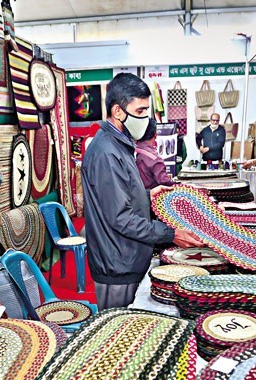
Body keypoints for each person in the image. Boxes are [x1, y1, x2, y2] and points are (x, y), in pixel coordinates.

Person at [82, 73, 203, 310]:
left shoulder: (119, 144)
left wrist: (147, 195)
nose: (145, 119)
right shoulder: (107, 152)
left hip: (125, 256)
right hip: (116, 262)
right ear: (118, 111)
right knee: (120, 334)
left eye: (147, 111)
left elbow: (115, 199)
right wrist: (170, 234)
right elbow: (120, 218)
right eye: (139, 112)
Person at [135, 118, 175, 190]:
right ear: (155, 134)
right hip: (148, 197)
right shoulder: (154, 158)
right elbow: (164, 183)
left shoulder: (130, 150)